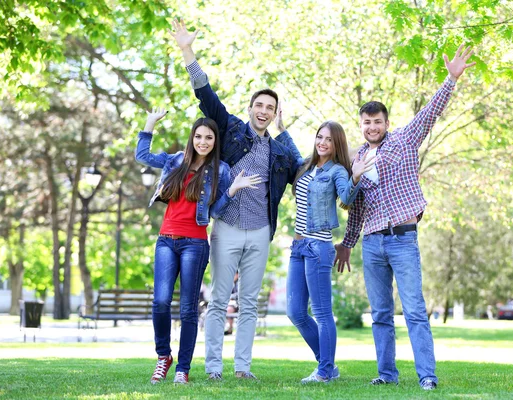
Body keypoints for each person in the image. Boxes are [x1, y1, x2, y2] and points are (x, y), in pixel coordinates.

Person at [334, 45, 476, 390]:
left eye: (377, 122)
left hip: (402, 238)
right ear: (361, 124)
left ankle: (427, 375)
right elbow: (353, 206)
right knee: (381, 314)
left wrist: (451, 79)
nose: (372, 127)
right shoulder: (356, 158)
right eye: (366, 123)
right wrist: (347, 244)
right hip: (372, 242)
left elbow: (430, 113)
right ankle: (387, 373)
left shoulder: (404, 140)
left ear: (386, 123)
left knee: (413, 310)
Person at [168, 19, 300, 380]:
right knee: (218, 301)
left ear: (274, 114)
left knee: (249, 306)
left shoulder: (278, 153)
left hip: (259, 233)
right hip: (226, 227)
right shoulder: (232, 129)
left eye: (270, 108)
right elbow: (205, 94)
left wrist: (287, 135)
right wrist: (187, 51)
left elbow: (302, 171)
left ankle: (243, 369)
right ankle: (213, 368)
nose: (263, 111)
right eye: (259, 104)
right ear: (252, 107)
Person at [135, 108, 260, 384]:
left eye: (209, 138)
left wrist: (232, 190)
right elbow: (142, 156)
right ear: (193, 138)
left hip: (195, 242)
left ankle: (183, 368)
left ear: (215, 142)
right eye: (199, 136)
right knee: (160, 302)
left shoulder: (221, 170)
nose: (203, 142)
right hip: (166, 239)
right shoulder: (175, 161)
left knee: (189, 309)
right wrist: (149, 123)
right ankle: (163, 356)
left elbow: (215, 211)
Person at [278, 109, 375, 383]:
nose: (322, 142)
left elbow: (346, 196)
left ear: (337, 144)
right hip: (297, 248)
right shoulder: (307, 166)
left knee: (321, 313)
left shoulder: (338, 172)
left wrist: (355, 176)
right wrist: (282, 127)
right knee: (295, 312)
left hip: (319, 247)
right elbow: (293, 151)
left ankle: (324, 371)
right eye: (320, 137)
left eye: (329, 140)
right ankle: (328, 365)